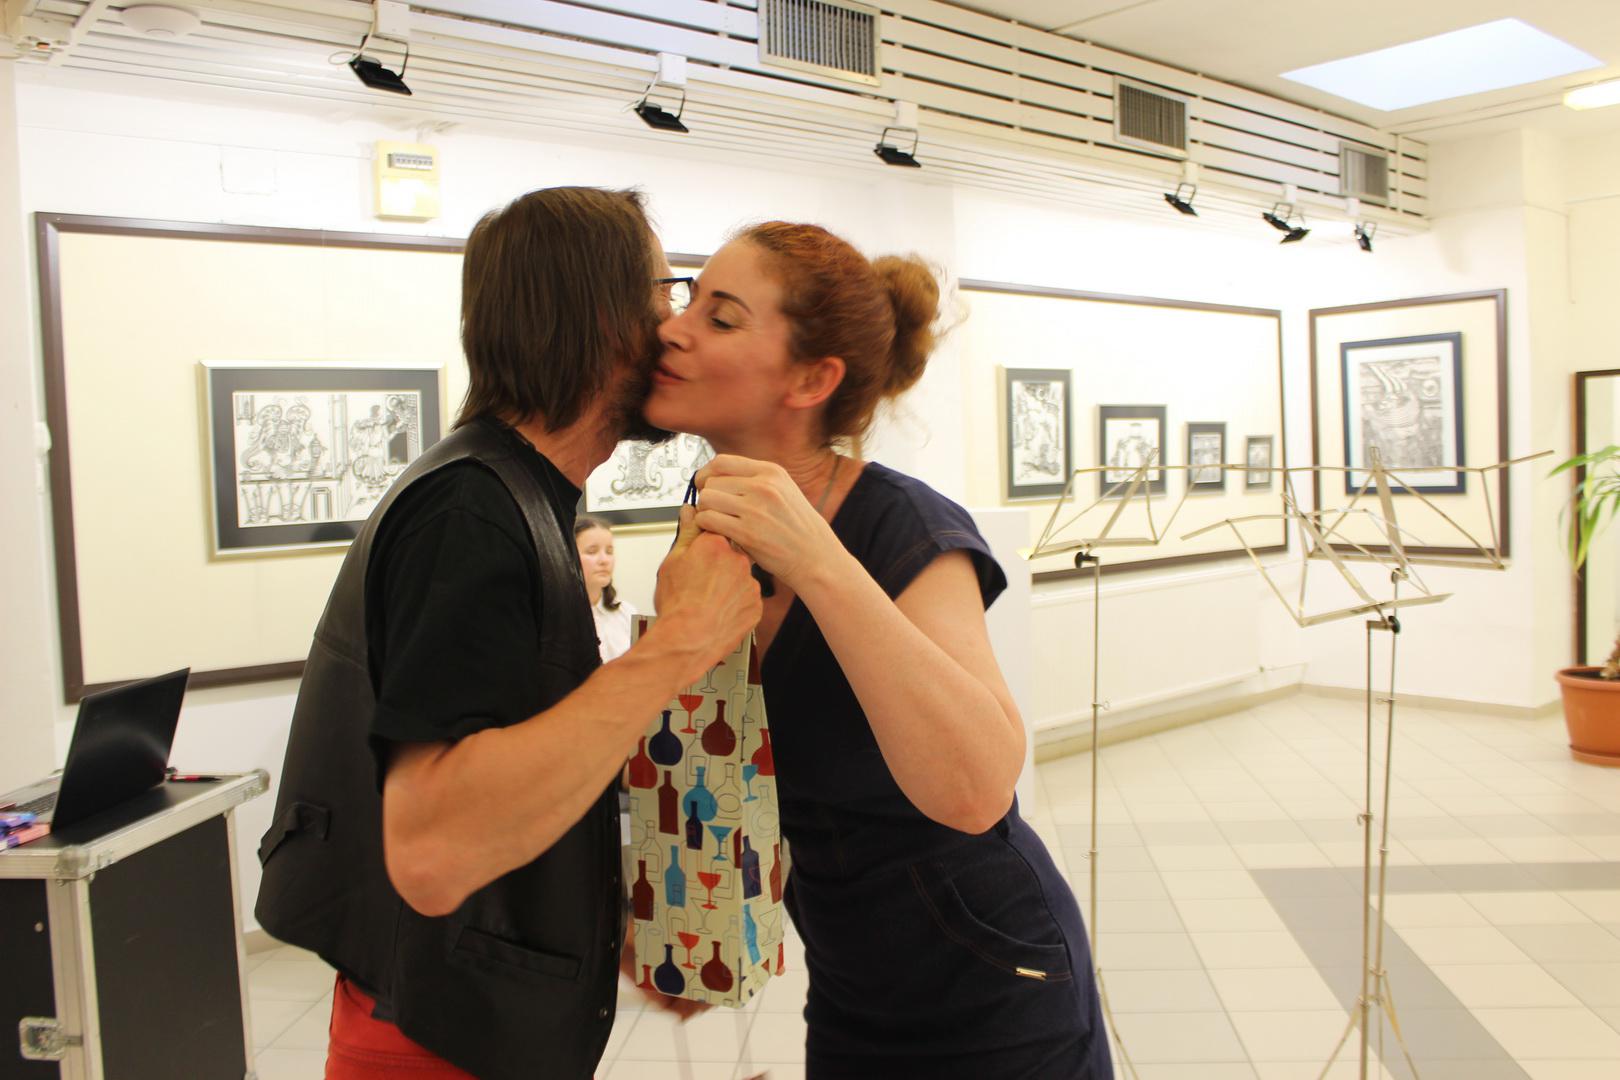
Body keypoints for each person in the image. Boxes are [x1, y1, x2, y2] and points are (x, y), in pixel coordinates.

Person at [254, 187, 761, 1080]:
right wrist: (679, 643)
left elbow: (518, 765)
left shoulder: (513, 497)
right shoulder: (471, 512)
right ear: (600, 319)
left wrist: (604, 921)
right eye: (665, 295)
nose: (678, 329)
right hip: (434, 1042)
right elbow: (433, 850)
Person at [648, 222, 1113, 1078]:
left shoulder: (903, 524)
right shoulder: (708, 528)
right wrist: (695, 914)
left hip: (990, 982)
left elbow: (978, 787)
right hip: (853, 988)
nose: (672, 330)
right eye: (687, 300)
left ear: (811, 379)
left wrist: (820, 562)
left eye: (721, 317)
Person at [574, 514, 639, 663]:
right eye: (592, 551)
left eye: (609, 552)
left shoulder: (627, 613)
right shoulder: (554, 618)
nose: (604, 560)